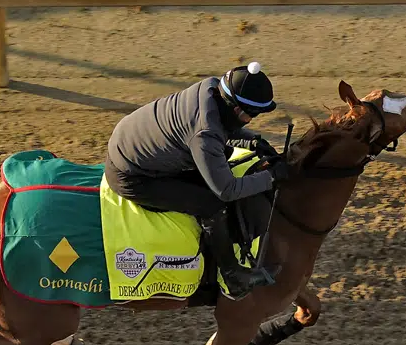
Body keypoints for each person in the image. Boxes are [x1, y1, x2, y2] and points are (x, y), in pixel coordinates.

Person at [104, 61, 291, 299]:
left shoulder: (211, 88)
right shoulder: (205, 133)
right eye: (251, 116)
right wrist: (271, 177)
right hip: (132, 177)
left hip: (133, 144)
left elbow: (222, 128)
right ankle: (233, 276)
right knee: (211, 204)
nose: (250, 121)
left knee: (222, 157)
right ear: (237, 110)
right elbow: (226, 190)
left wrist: (252, 141)